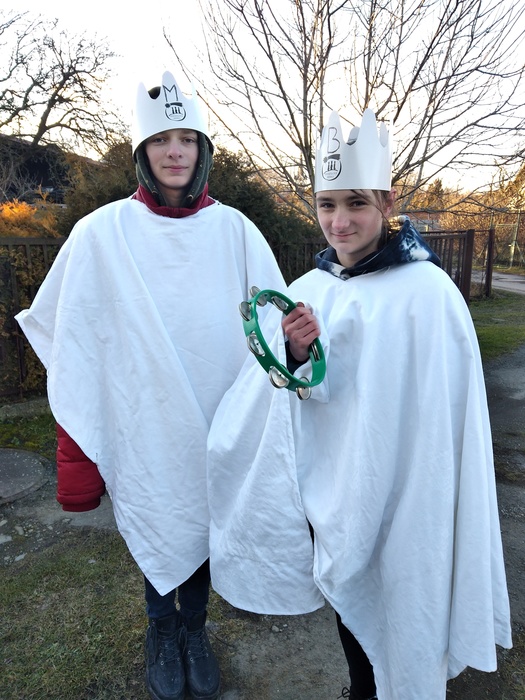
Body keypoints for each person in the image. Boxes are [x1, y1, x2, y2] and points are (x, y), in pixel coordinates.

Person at [206, 108, 512, 699]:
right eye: (327, 205)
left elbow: (444, 407)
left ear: (387, 202)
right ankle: (363, 687)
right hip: (340, 486)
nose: (340, 221)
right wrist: (297, 352)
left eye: (356, 203)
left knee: (406, 594)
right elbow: (291, 390)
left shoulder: (428, 294)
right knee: (351, 596)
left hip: (409, 485)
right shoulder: (308, 290)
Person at [15, 70, 286, 700]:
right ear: (143, 151)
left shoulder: (237, 231)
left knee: (204, 519)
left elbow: (272, 324)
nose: (175, 151)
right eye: (162, 140)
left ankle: (196, 630)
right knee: (161, 512)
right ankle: (161, 630)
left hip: (217, 414)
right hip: (145, 417)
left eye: (187, 139)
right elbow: (72, 332)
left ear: (202, 150)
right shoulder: (101, 233)